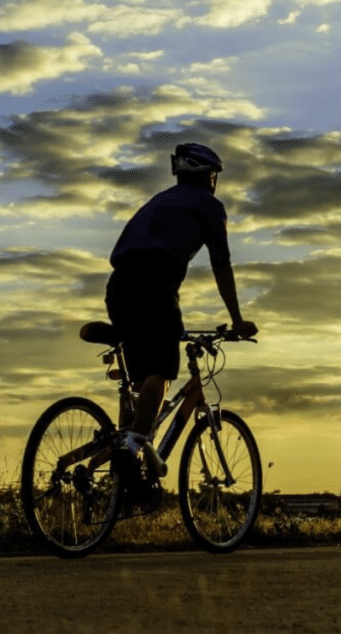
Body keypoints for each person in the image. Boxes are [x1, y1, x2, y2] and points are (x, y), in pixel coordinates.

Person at [105, 142, 258, 465]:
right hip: (154, 285)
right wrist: (237, 319)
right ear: (209, 176)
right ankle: (132, 448)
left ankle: (122, 459)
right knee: (161, 371)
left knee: (142, 378)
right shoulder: (208, 205)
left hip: (119, 286)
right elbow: (221, 265)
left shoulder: (159, 201)